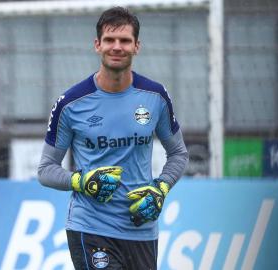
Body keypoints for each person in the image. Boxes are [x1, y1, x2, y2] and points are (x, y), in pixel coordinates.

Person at [38, 6, 188, 270]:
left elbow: (179, 154)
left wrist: (161, 188)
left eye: (125, 40)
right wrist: (81, 181)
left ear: (136, 46)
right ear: (97, 45)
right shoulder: (71, 103)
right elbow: (45, 169)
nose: (116, 47)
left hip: (142, 227)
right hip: (91, 227)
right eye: (109, 40)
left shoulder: (156, 96)